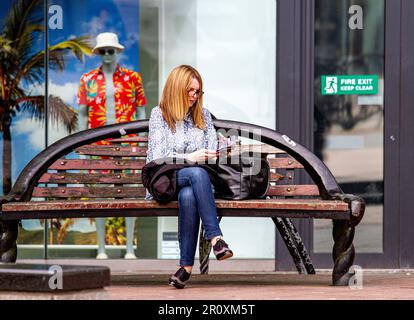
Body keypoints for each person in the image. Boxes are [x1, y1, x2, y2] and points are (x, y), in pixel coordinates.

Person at [146, 65, 233, 289]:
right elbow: (158, 157)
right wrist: (190, 157)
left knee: (188, 195)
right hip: (164, 180)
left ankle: (185, 269)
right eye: (190, 91)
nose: (194, 96)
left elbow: (211, 149)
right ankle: (216, 238)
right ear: (177, 89)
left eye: (198, 91)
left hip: (194, 183)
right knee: (195, 172)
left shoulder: (202, 115)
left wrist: (222, 148)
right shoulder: (160, 114)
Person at [77, 32, 146, 259]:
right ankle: (101, 248)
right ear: (98, 53)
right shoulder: (87, 80)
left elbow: (142, 115)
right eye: (103, 51)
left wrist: (142, 144)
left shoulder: (133, 79)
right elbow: (82, 117)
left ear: (117, 52)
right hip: (97, 147)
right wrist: (84, 148)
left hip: (127, 145)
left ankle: (129, 249)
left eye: (111, 51)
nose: (107, 55)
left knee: (130, 194)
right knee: (99, 195)